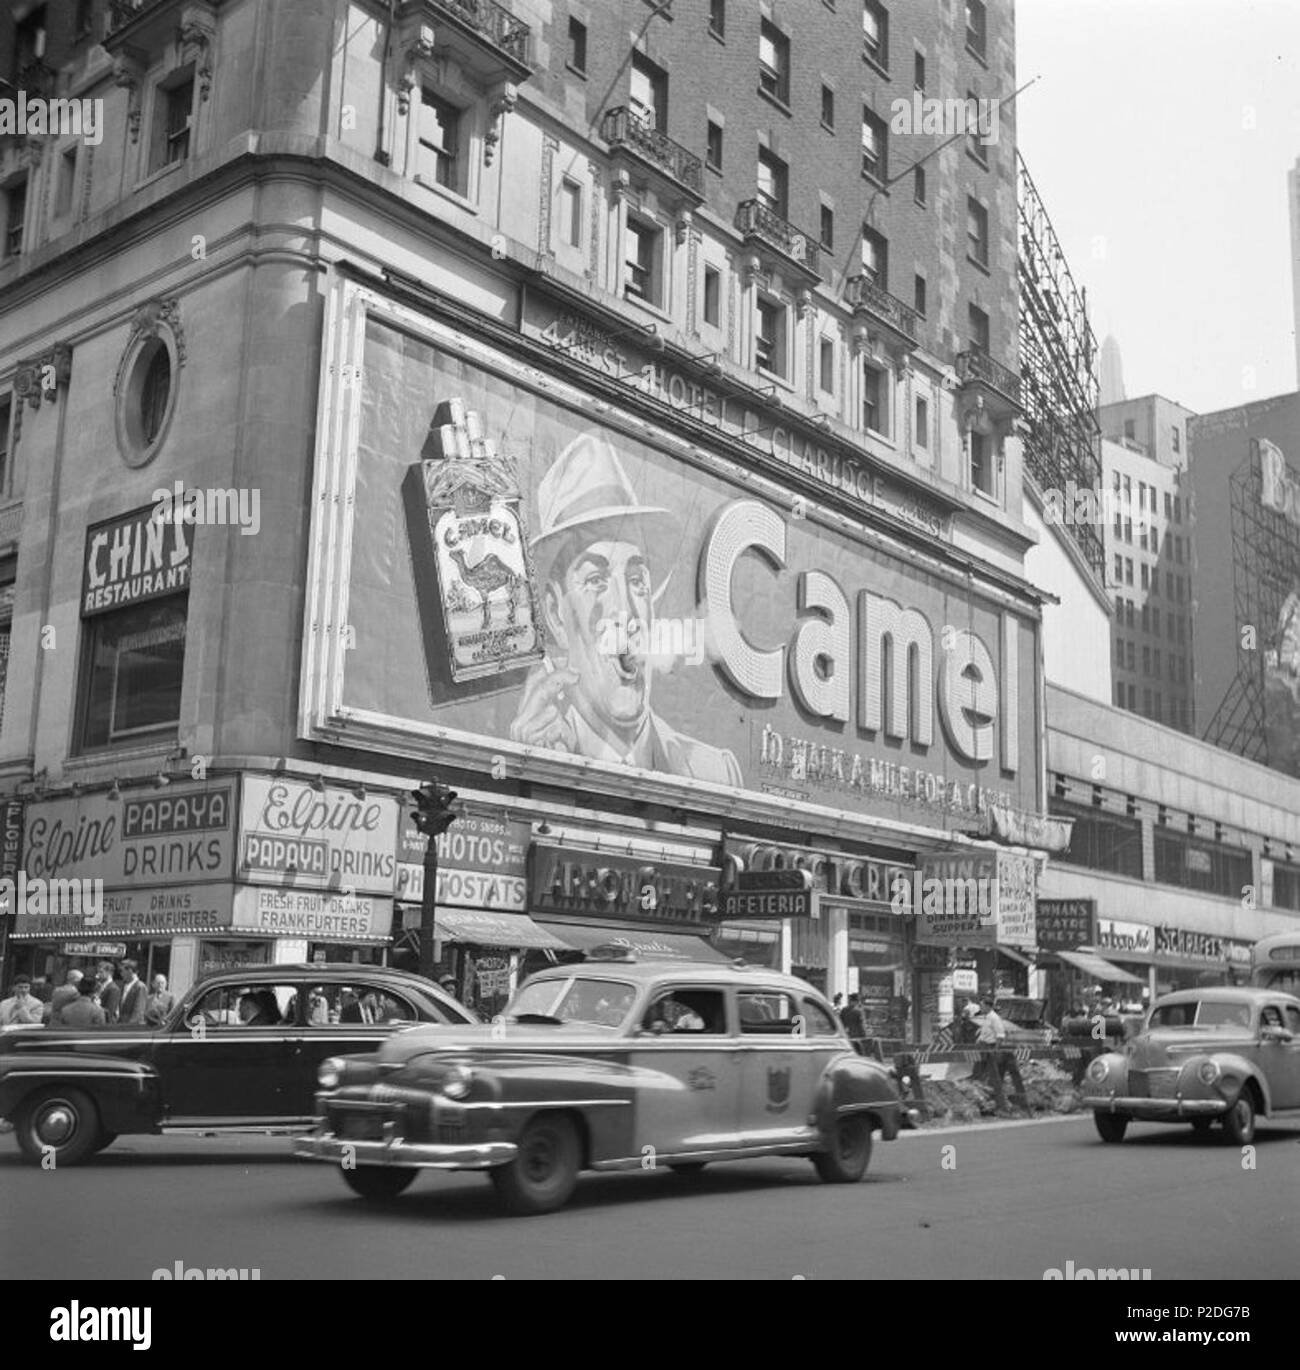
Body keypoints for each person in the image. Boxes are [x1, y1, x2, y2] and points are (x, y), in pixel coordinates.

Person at [510, 433, 743, 785]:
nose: (626, 611)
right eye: (596, 581)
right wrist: (525, 766)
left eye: (637, 579)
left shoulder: (716, 771)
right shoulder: (532, 743)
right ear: (557, 614)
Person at [976, 994, 1027, 1109]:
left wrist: (995, 1049)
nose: (981, 1008)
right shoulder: (986, 1018)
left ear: (988, 1006)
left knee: (993, 1074)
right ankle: (989, 1097)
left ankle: (996, 1100)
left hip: (991, 1048)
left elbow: (1000, 1035)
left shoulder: (994, 1018)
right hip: (984, 1047)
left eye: (982, 1006)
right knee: (983, 1074)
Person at [118, 961, 147, 1025]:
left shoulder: (140, 987)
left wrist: (129, 1028)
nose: (121, 974)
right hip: (121, 1026)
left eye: (122, 971)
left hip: (132, 1028)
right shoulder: (123, 986)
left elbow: (138, 1012)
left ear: (130, 971)